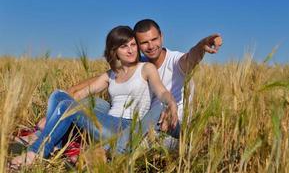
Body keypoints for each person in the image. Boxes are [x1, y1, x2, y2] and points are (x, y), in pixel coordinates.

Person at [9, 25, 178, 169]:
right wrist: (50, 116)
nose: (131, 49)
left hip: (125, 128)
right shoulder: (111, 75)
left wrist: (171, 103)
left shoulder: (146, 68)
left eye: (133, 44)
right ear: (114, 51)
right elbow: (81, 93)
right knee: (59, 95)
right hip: (105, 123)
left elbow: (161, 91)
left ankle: (35, 153)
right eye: (124, 46)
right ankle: (55, 144)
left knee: (67, 107)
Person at [115, 19, 222, 153]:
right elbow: (109, 76)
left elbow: (190, 59)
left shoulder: (175, 60)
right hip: (144, 124)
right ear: (137, 45)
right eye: (144, 42)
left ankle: (119, 148)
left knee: (157, 114)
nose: (151, 46)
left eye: (154, 39)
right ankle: (133, 143)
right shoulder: (138, 64)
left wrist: (201, 46)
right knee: (95, 105)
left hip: (173, 124)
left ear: (162, 37)